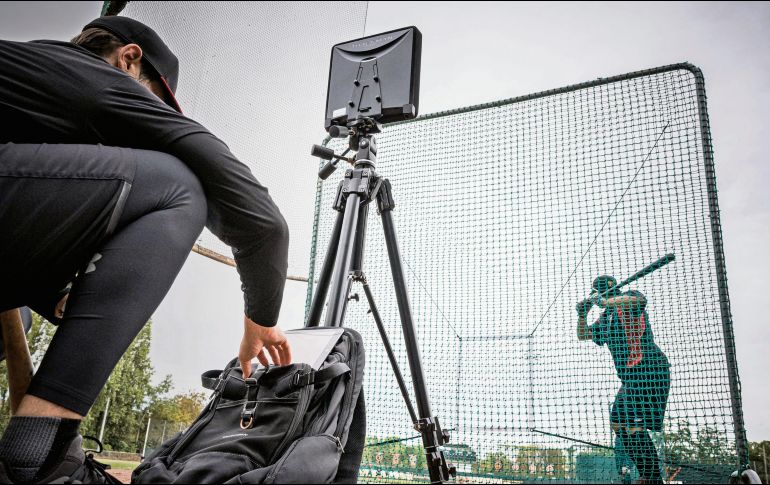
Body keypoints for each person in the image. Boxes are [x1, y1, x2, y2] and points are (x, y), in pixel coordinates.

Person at [0, 15, 292, 483]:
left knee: (25, 316)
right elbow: (261, 220)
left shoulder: (31, 76)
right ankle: (40, 458)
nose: (149, 113)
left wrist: (43, 287)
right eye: (154, 99)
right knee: (179, 185)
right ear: (129, 59)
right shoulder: (94, 79)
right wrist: (260, 321)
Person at [576, 275, 670, 484]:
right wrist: (582, 315)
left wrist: (606, 301)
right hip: (631, 378)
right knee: (619, 422)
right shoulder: (606, 317)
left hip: (649, 369)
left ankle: (652, 478)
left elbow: (640, 300)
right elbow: (583, 335)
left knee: (631, 419)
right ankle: (649, 474)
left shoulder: (627, 300)